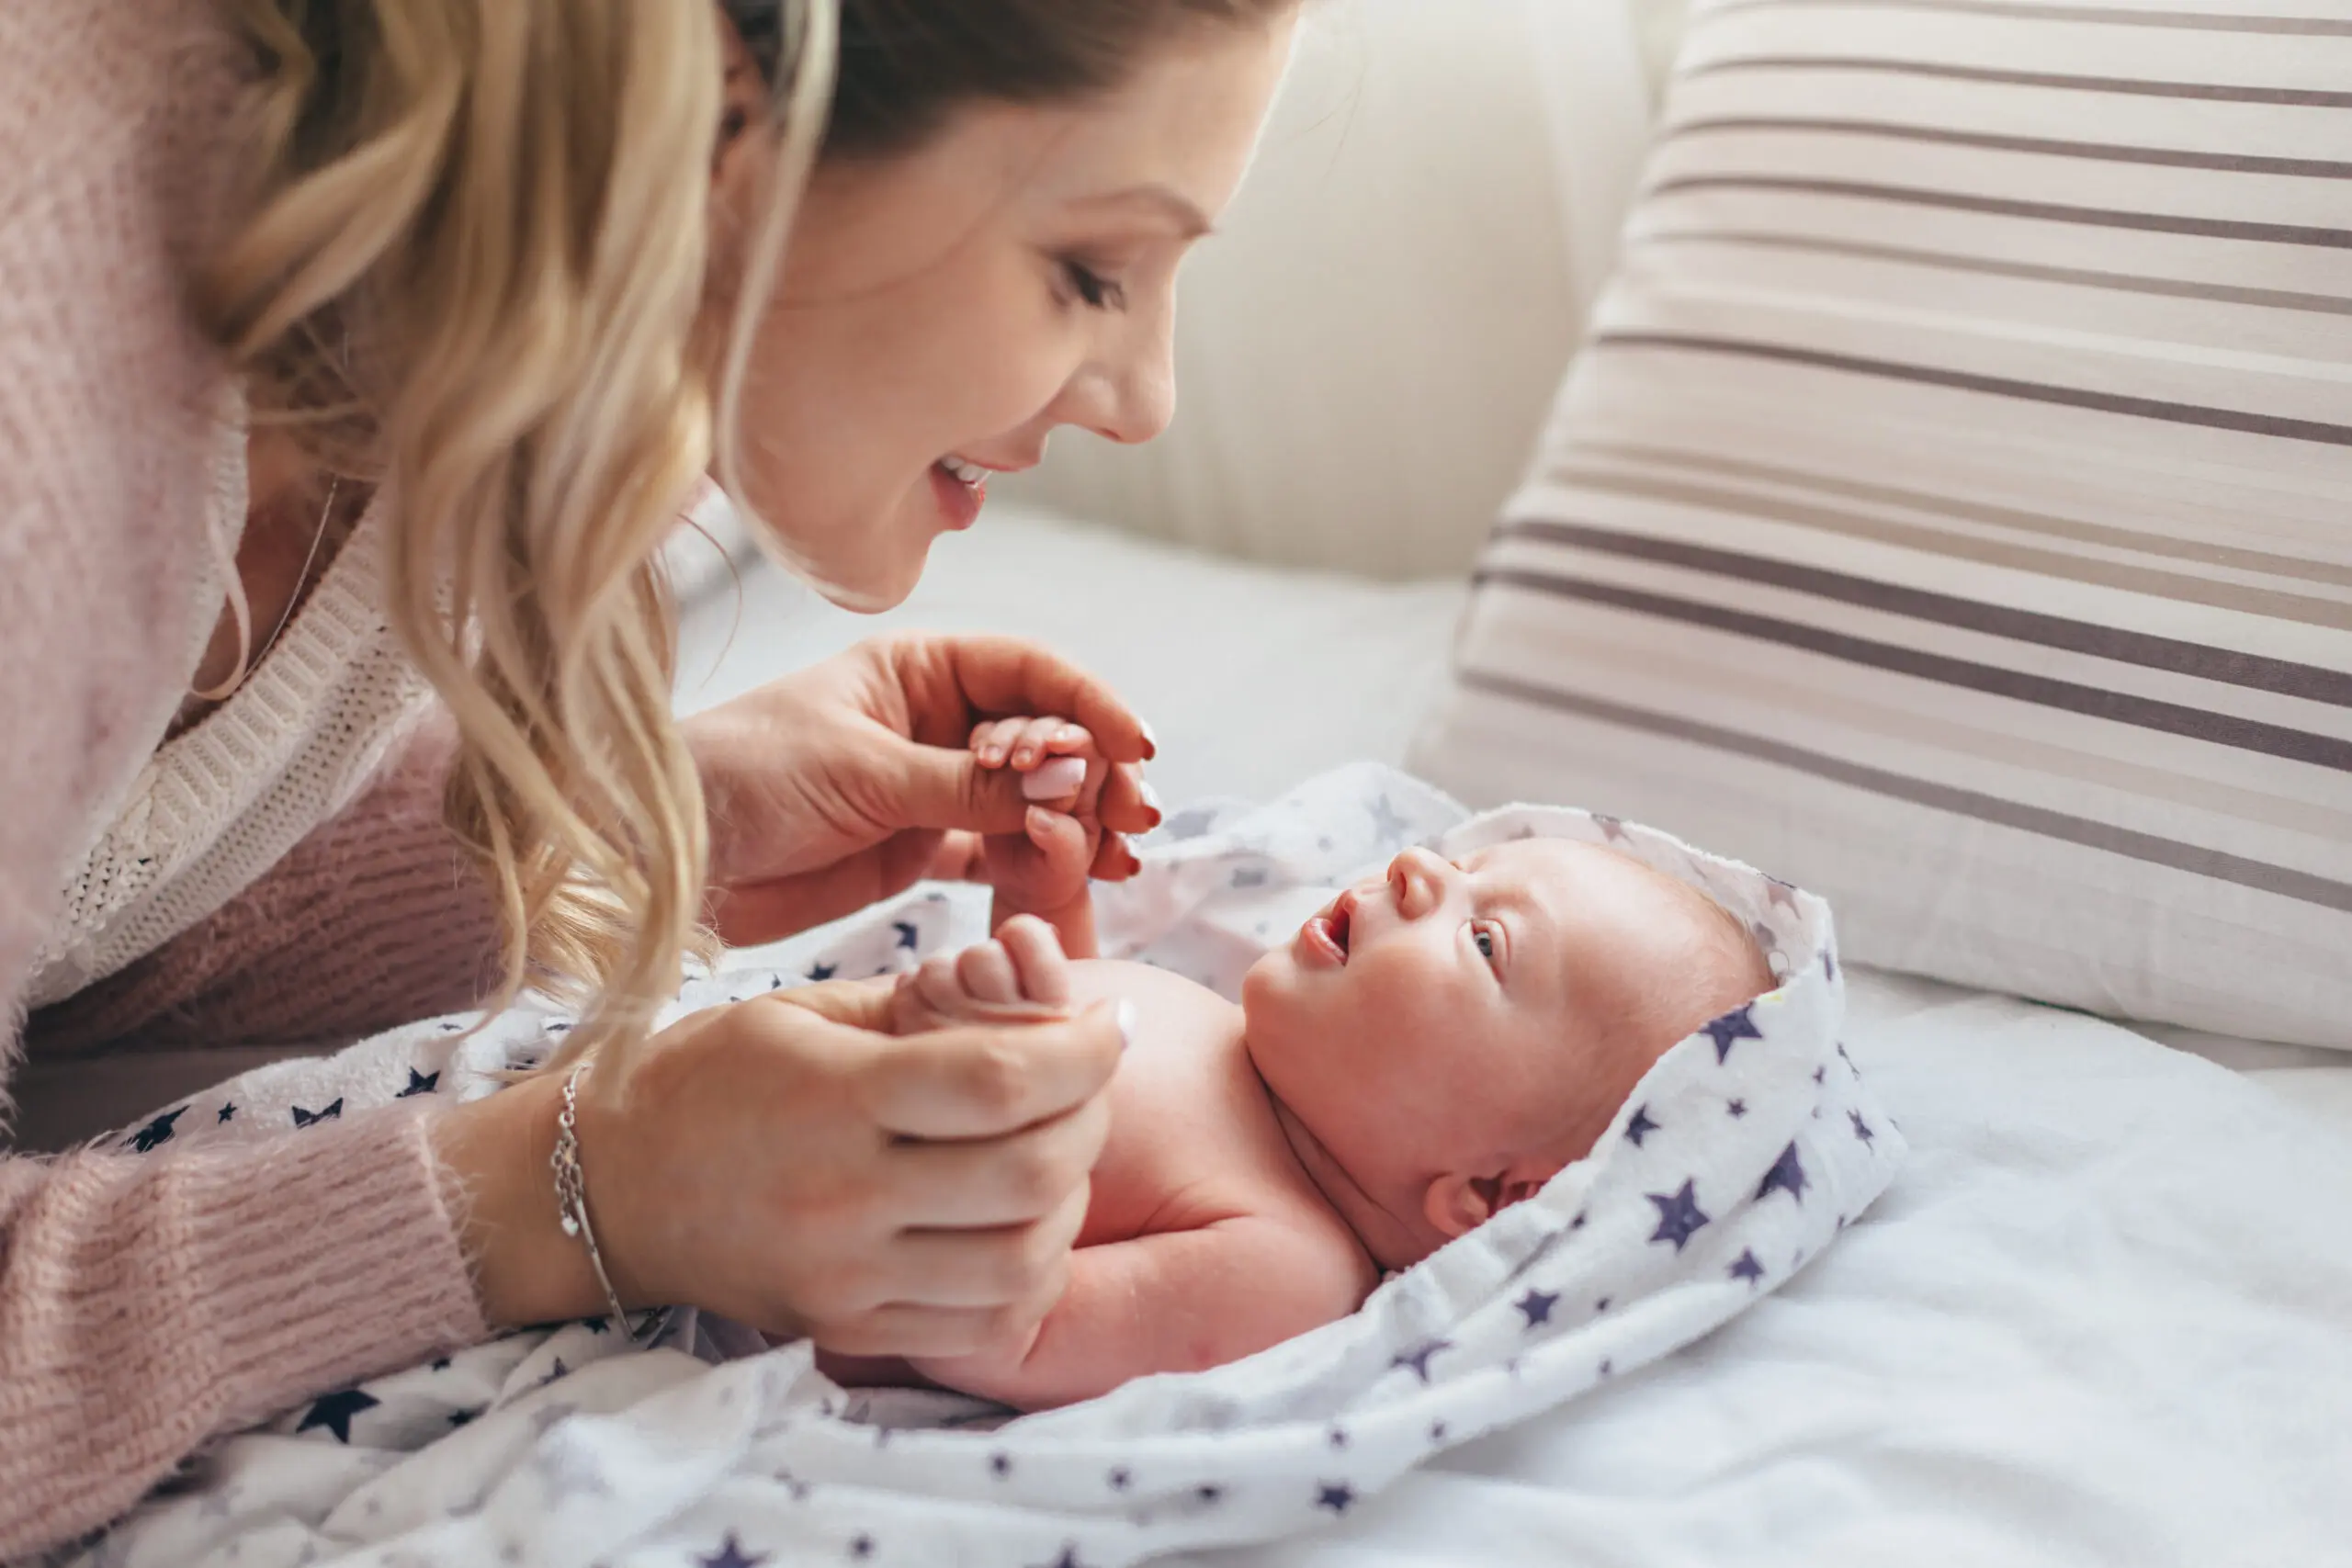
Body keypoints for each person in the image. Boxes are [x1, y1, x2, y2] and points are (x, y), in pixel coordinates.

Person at [0, 0, 1298, 1555]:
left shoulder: (443, 328)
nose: (1144, 395)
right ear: (731, 118)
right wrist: (580, 1192)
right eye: (1093, 270)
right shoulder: (45, 364)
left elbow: (90, 891)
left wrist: (622, 829)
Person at [814, 728, 1774, 1410]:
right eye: (1467, 870)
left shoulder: (1287, 1268)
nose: (1417, 870)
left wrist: (969, 1127)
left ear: (1487, 1193)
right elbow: (1077, 1022)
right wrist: (1040, 910)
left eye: (1484, 939)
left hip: (768, 1223)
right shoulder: (1230, 1040)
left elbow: (1009, 1334)